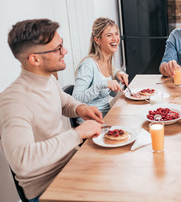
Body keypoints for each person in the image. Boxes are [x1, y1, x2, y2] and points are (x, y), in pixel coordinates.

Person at [0, 19, 104, 201]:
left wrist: (81, 108)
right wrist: (77, 133)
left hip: (71, 166)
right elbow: (23, 161)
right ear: (35, 59)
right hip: (47, 187)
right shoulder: (13, 101)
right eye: (57, 49)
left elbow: (64, 102)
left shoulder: (48, 79)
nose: (65, 51)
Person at [73, 17, 129, 124]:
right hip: (91, 122)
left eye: (116, 34)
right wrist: (103, 84)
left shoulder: (107, 61)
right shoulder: (88, 65)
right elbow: (76, 99)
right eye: (109, 35)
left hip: (106, 116)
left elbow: (111, 94)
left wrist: (117, 79)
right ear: (97, 40)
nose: (115, 39)